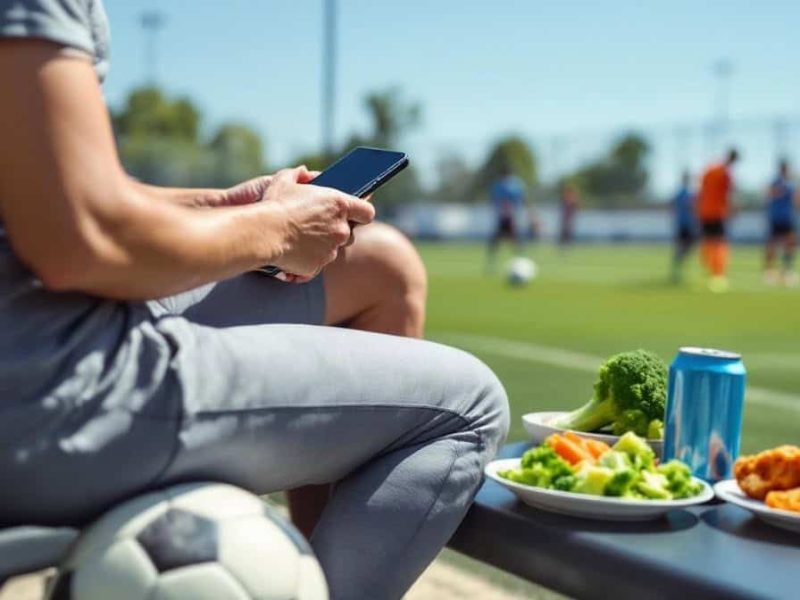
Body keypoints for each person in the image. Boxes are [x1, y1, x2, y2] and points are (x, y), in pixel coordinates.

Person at [0, 3, 509, 599]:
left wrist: (228, 206)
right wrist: (280, 229)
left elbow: (46, 184)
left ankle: (310, 573)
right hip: (45, 385)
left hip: (33, 325)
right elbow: (80, 242)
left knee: (379, 265)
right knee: (469, 405)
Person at [696, 148, 739, 292]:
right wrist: (732, 209)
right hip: (718, 212)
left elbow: (700, 190)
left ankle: (709, 268)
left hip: (704, 211)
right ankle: (718, 274)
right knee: (720, 242)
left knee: (708, 241)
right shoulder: (725, 173)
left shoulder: (710, 169)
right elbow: (728, 194)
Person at [764, 160, 798, 286]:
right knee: (773, 244)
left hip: (786, 217)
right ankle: (770, 271)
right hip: (778, 217)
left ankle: (785, 270)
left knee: (789, 244)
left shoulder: (790, 184)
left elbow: (796, 200)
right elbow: (770, 195)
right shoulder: (777, 183)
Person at [487, 164, 526, 271]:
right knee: (498, 240)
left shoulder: (513, 185)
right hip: (503, 217)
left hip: (510, 217)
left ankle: (520, 262)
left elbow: (519, 200)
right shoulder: (501, 185)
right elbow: (494, 200)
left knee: (513, 240)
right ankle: (492, 264)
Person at [671, 171, 696, 283]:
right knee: (684, 245)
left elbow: (672, 205)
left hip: (683, 223)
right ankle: (678, 267)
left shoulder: (682, 193)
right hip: (685, 224)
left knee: (683, 246)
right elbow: (690, 206)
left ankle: (679, 265)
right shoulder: (685, 193)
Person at [558, 181, 580, 249]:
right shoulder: (565, 199)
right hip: (565, 218)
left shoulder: (572, 200)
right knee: (564, 231)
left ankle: (567, 244)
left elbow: (577, 207)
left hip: (569, 219)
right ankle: (563, 245)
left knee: (568, 231)